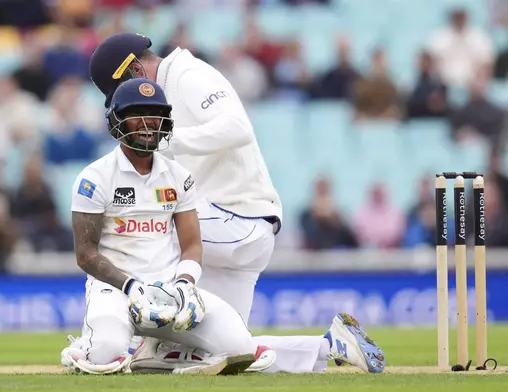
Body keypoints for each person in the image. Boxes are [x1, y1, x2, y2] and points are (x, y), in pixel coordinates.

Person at [87, 33, 386, 374]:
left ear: (135, 70)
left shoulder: (186, 74)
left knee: (138, 230)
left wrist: (165, 142)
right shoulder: (167, 94)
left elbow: (237, 127)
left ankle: (98, 337)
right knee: (222, 351)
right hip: (231, 233)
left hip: (238, 218)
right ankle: (333, 345)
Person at [60, 78, 269, 375]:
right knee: (104, 356)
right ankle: (83, 348)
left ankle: (160, 355)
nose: (148, 123)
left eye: (155, 114)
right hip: (116, 290)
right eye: (138, 114)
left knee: (240, 348)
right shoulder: (94, 178)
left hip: (169, 289)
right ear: (118, 120)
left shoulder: (178, 176)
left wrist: (184, 284)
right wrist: (131, 286)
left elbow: (192, 246)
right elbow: (85, 254)